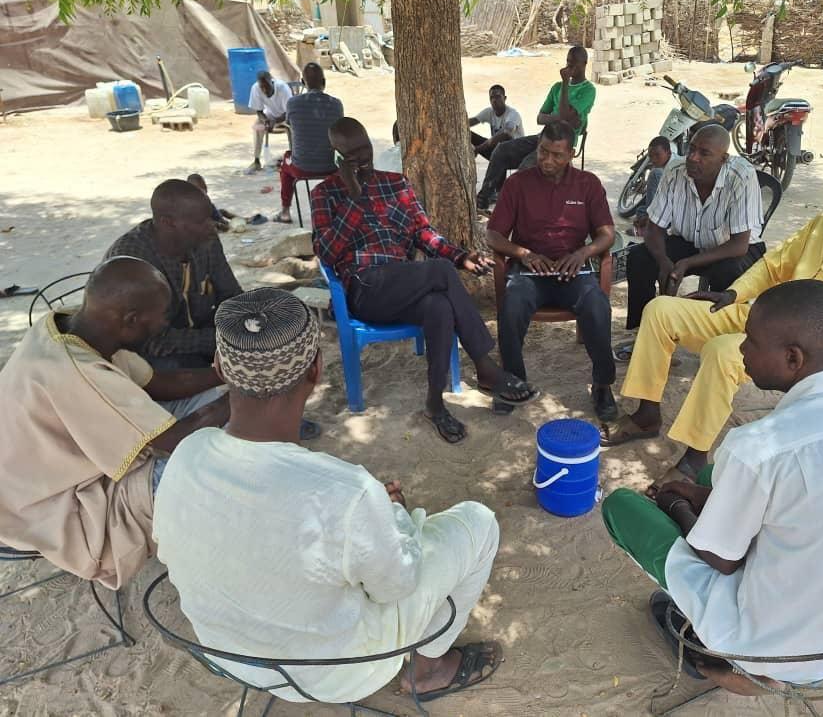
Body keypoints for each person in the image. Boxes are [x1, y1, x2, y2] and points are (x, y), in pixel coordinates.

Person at [153, 288, 503, 704]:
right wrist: (396, 520)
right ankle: (426, 670)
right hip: (329, 675)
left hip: (231, 657)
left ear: (219, 367)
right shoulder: (348, 493)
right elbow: (396, 585)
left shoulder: (186, 454)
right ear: (316, 369)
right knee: (478, 523)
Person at [602, 279, 823, 688]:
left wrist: (673, 505)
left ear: (793, 358)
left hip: (770, 647)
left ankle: (723, 665)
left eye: (750, 340)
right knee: (709, 478)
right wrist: (700, 495)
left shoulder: (757, 446)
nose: (739, 348)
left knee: (622, 507)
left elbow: (720, 561)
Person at [601, 150, 823, 491]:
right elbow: (772, 265)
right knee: (661, 309)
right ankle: (647, 413)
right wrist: (734, 294)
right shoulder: (821, 227)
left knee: (723, 352)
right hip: (762, 317)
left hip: (805, 352)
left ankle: (695, 456)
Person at [0, 257, 230, 589]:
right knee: (203, 465)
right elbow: (172, 442)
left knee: (220, 411)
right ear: (131, 320)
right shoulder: (74, 372)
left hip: (40, 476)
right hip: (48, 507)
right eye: (162, 315)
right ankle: (219, 564)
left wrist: (222, 376)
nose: (165, 323)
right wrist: (248, 392)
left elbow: (160, 384)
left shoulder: (72, 327)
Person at [311, 117, 538, 443]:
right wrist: (355, 198)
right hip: (365, 289)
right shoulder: (326, 195)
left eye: (365, 149)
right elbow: (327, 253)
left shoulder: (395, 184)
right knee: (440, 272)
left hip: (404, 285)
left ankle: (435, 405)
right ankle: (485, 366)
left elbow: (423, 234)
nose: (362, 159)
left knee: (438, 308)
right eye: (351, 155)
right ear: (336, 157)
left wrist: (461, 256)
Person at [486, 121, 618, 420]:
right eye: (543, 152)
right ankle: (513, 380)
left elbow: (607, 233)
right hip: (530, 270)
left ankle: (602, 384)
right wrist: (523, 253)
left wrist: (583, 253)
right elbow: (493, 235)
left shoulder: (588, 184)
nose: (547, 160)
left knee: (597, 304)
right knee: (513, 302)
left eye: (556, 155)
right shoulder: (518, 183)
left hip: (573, 270)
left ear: (571, 153)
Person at [614, 125, 765, 362]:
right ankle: (647, 334)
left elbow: (739, 245)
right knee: (640, 258)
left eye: (704, 153)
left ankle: (720, 345)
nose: (693, 158)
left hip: (733, 248)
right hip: (690, 241)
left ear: (723, 159)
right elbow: (654, 229)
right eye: (692, 149)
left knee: (729, 272)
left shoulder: (741, 176)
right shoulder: (675, 170)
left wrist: (685, 263)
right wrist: (664, 261)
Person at [104, 178, 242, 370]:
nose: (212, 226)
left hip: (197, 333)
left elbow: (232, 296)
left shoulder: (207, 240)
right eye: (202, 221)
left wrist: (243, 328)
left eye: (211, 217)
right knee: (178, 367)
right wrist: (219, 340)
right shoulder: (133, 258)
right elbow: (150, 340)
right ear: (168, 223)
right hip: (148, 353)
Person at [476, 46, 595, 211]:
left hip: (561, 144)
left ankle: (514, 209)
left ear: (584, 64)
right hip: (543, 137)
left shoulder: (588, 90)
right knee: (501, 150)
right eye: (567, 62)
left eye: (573, 63)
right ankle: (485, 196)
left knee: (526, 166)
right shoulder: (556, 88)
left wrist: (565, 85)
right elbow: (541, 117)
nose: (568, 66)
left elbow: (563, 113)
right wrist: (559, 118)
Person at [277, 62, 344, 224]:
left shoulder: (293, 103)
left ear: (302, 82)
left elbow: (290, 124)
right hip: (331, 167)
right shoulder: (336, 104)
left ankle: (285, 211)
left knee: (285, 161)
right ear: (324, 82)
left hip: (302, 168)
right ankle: (340, 210)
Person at [627, 136, 680, 237]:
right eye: (651, 156)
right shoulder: (665, 164)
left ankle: (651, 227)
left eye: (657, 155)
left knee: (655, 173)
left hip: (678, 210)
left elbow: (669, 201)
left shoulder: (675, 168)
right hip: (670, 209)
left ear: (668, 153)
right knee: (640, 210)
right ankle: (652, 221)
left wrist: (649, 217)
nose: (653, 160)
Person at [245, 70, 293, 174]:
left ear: (271, 82)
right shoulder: (256, 88)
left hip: (285, 115)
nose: (264, 90)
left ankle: (294, 156)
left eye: (266, 86)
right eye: (262, 87)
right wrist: (265, 120)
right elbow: (259, 111)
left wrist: (275, 121)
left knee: (293, 126)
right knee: (257, 126)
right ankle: (256, 160)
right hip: (270, 115)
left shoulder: (282, 88)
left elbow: (289, 112)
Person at [469, 85, 525, 160]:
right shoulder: (489, 111)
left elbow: (507, 133)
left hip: (514, 154)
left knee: (504, 138)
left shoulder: (513, 114)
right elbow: (470, 122)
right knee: (468, 133)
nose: (494, 100)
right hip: (497, 150)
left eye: (498, 97)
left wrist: (478, 149)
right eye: (491, 97)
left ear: (504, 98)